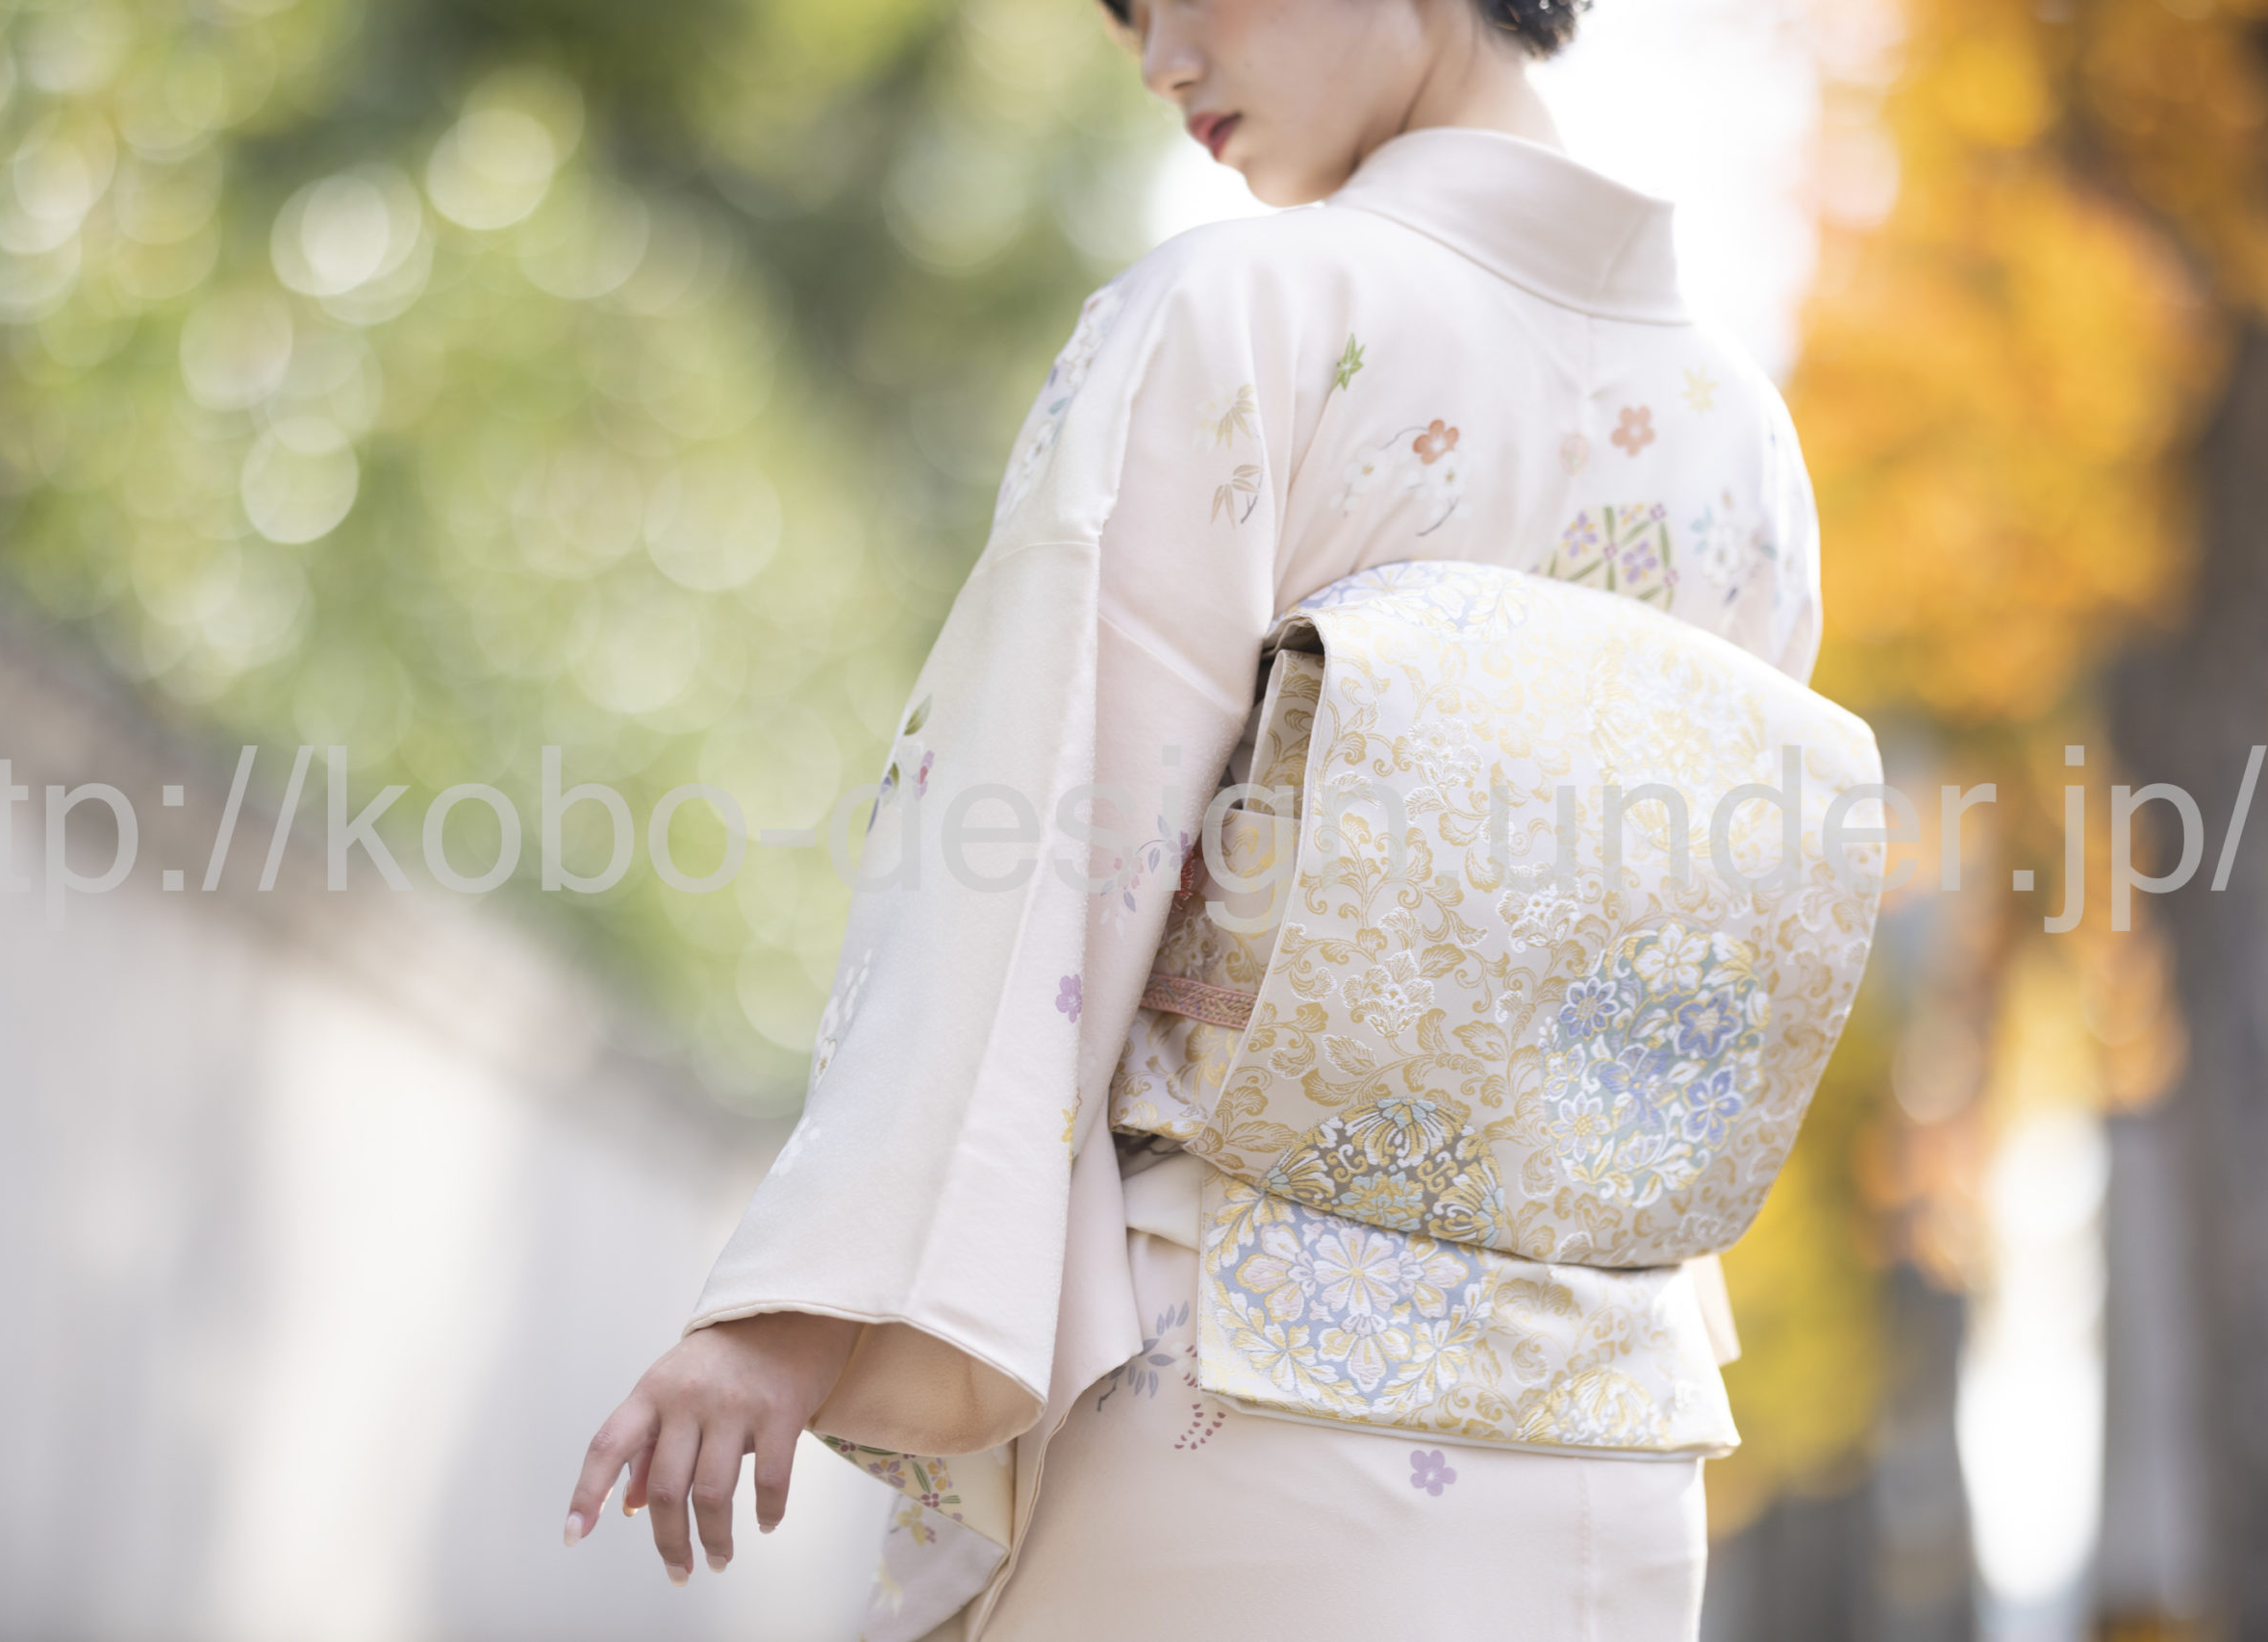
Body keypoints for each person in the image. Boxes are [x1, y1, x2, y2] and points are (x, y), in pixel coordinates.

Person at [567, 1, 1869, 1636]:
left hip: (1238, 1391)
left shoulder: (1244, 312)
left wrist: (798, 1307)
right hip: (1612, 1440)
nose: (1158, 55)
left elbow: (1051, 832)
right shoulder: (1747, 445)